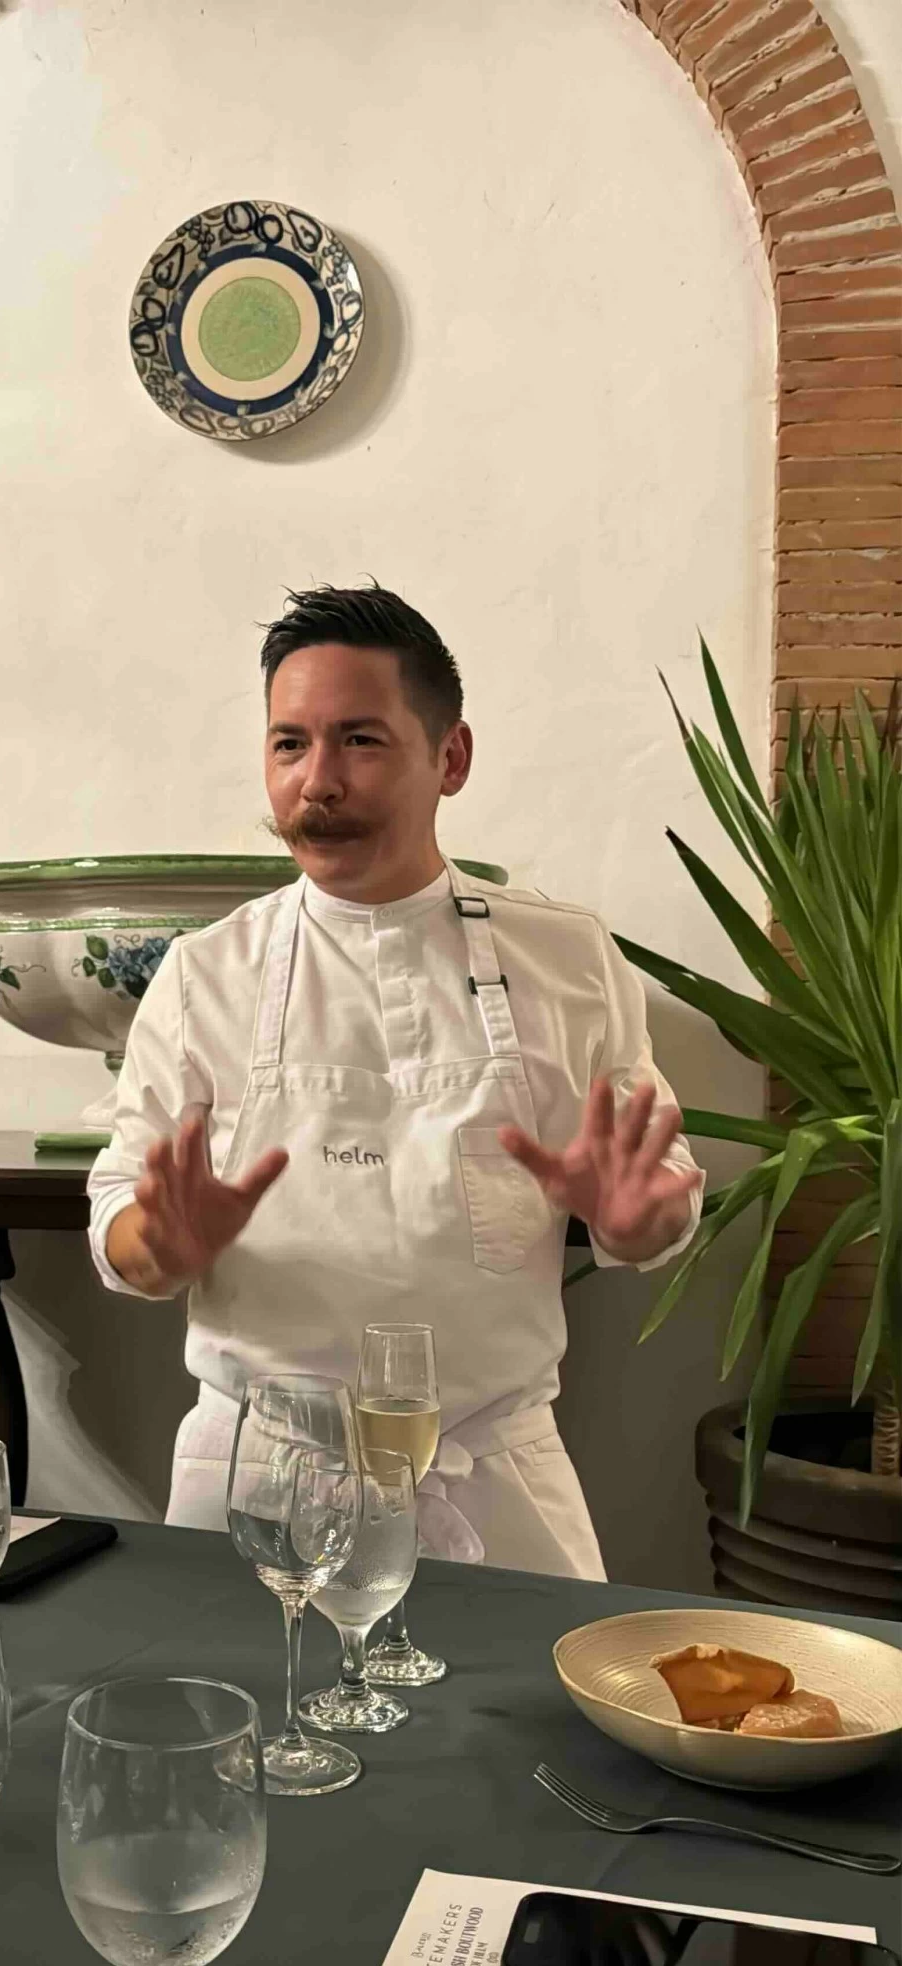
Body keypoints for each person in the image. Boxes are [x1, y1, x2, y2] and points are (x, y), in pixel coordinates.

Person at [88, 586, 703, 1575]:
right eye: (289, 744)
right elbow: (120, 1200)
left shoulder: (568, 957)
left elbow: (659, 1183)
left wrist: (636, 1221)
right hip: (255, 1480)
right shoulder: (206, 973)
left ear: (449, 757)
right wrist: (157, 1245)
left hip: (494, 1476)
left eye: (361, 740)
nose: (317, 782)